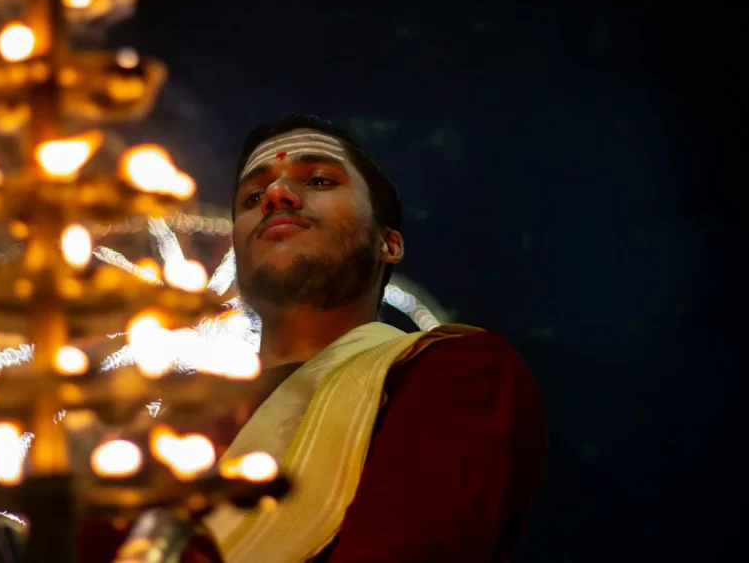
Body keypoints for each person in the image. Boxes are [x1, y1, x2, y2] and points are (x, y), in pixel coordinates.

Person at [85, 114, 547, 563]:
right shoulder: (174, 431)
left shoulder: (454, 371)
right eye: (251, 198)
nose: (276, 196)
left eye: (320, 180)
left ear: (389, 244)